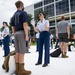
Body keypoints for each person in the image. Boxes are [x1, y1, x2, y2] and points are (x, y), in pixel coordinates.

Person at [11, 1, 31, 75]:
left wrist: (14, 33)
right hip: (22, 33)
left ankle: (17, 69)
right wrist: (26, 35)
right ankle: (21, 70)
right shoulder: (23, 13)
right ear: (21, 5)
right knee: (22, 52)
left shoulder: (14, 15)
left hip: (16, 33)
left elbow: (12, 26)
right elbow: (25, 24)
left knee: (17, 52)